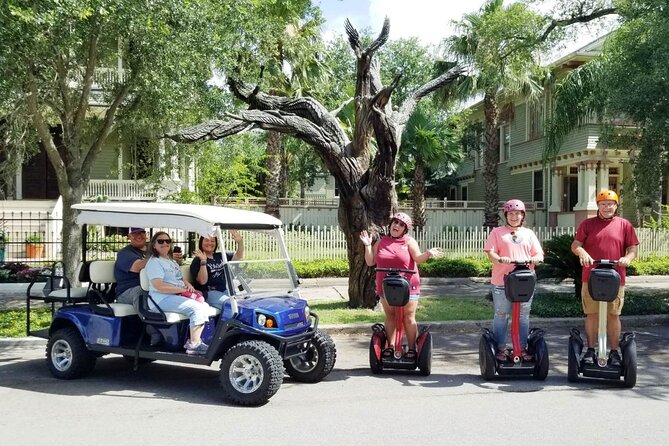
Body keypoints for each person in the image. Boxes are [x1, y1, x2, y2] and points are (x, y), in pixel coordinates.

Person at [360, 212, 443, 360]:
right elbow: (370, 261)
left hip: (408, 285)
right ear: (390, 225)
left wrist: (428, 253)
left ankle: (412, 348)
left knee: (408, 317)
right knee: (390, 316)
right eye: (395, 222)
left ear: (405, 229)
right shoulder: (381, 242)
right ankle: (390, 347)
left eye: (400, 224)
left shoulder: (409, 242)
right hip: (386, 285)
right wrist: (367, 245)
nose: (396, 226)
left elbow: (418, 258)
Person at [570, 189, 639, 367]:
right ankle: (591, 350)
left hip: (616, 277)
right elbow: (576, 245)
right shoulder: (587, 224)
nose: (607, 207)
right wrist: (582, 253)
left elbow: (632, 249)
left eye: (610, 204)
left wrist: (627, 258)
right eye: (603, 204)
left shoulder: (625, 225)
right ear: (598, 206)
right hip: (591, 277)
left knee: (613, 315)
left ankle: (614, 352)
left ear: (616, 206)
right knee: (591, 314)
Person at [483, 199, 544, 362]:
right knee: (501, 314)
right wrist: (499, 259)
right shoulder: (497, 232)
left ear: (523, 215)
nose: (514, 216)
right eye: (511, 213)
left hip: (524, 281)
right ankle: (501, 349)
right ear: (506, 215)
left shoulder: (529, 234)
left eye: (518, 213)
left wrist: (537, 259)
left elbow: (538, 254)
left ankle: (522, 348)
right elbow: (491, 253)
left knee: (523, 315)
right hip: (502, 281)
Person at [145, 231, 211, 355]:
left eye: (167, 241)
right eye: (160, 241)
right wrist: (182, 290)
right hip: (160, 299)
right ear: (154, 245)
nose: (165, 243)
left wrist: (188, 285)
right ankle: (194, 345)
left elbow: (178, 278)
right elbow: (159, 286)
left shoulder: (171, 261)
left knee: (204, 306)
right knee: (196, 308)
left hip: (173, 296)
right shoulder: (154, 262)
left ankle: (191, 340)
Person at [115, 227, 183, 310]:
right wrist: (161, 257)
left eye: (141, 233)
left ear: (146, 235)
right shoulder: (125, 253)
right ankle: (148, 320)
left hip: (153, 286)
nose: (139, 236)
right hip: (128, 290)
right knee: (141, 291)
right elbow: (136, 267)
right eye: (135, 233)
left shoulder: (152, 250)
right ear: (129, 237)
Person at [190, 230, 244, 309]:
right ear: (201, 242)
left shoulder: (220, 256)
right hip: (209, 292)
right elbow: (202, 281)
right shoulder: (197, 260)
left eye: (212, 241)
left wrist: (240, 242)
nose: (210, 243)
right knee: (232, 305)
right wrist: (203, 261)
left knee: (242, 303)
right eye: (207, 240)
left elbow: (238, 256)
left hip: (224, 290)